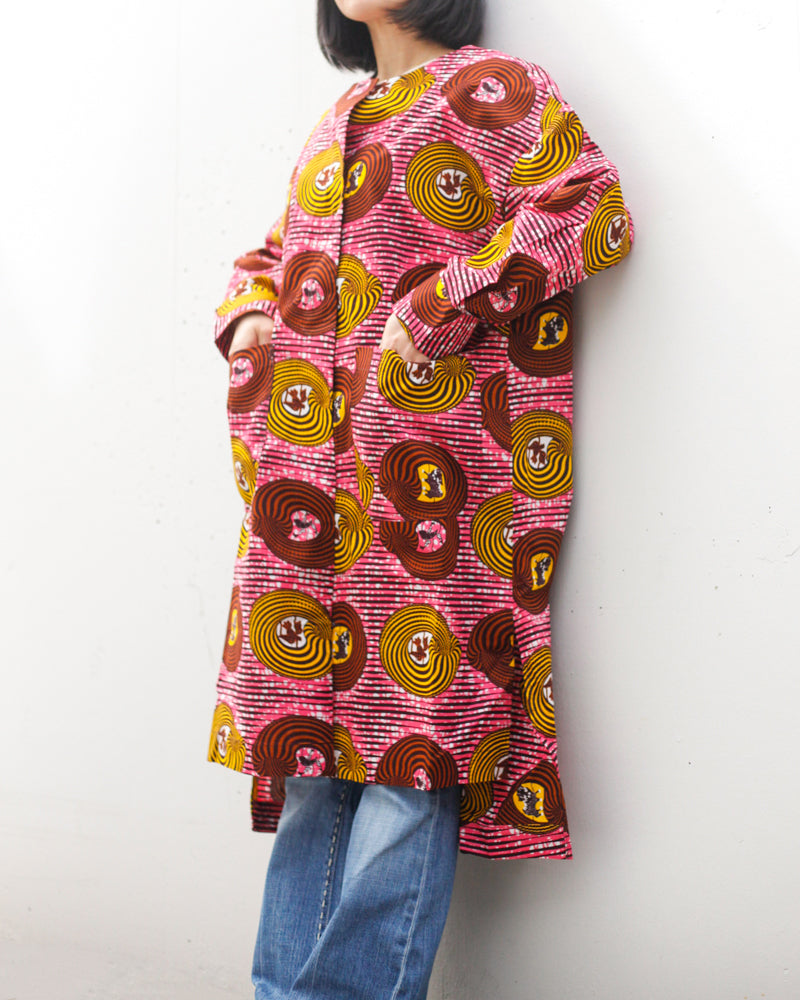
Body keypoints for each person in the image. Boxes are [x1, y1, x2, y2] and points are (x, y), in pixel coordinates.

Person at [206, 0, 634, 996]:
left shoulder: (491, 88)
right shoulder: (339, 117)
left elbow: (590, 207)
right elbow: (276, 254)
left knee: (414, 759)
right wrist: (251, 315)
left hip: (430, 505)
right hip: (310, 510)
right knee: (312, 771)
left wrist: (442, 304)